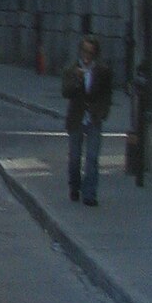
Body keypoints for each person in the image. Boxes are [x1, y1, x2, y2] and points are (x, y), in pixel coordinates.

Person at [60, 31, 114, 206]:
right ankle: (74, 186)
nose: (87, 56)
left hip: (93, 119)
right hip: (76, 119)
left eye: (90, 53)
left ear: (95, 53)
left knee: (92, 157)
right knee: (75, 157)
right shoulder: (71, 70)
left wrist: (103, 112)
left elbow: (107, 94)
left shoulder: (103, 71)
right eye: (84, 51)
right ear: (80, 51)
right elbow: (65, 92)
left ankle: (90, 194)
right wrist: (77, 78)